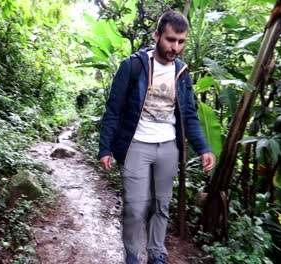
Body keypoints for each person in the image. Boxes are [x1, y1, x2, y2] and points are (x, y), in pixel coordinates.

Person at [98, 10, 215, 264]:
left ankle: (156, 253)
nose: (175, 47)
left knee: (161, 206)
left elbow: (190, 116)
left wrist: (203, 148)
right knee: (135, 207)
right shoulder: (134, 66)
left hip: (168, 148)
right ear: (157, 36)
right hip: (136, 145)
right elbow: (113, 110)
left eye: (181, 42)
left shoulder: (182, 73)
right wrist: (105, 148)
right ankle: (131, 254)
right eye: (170, 40)